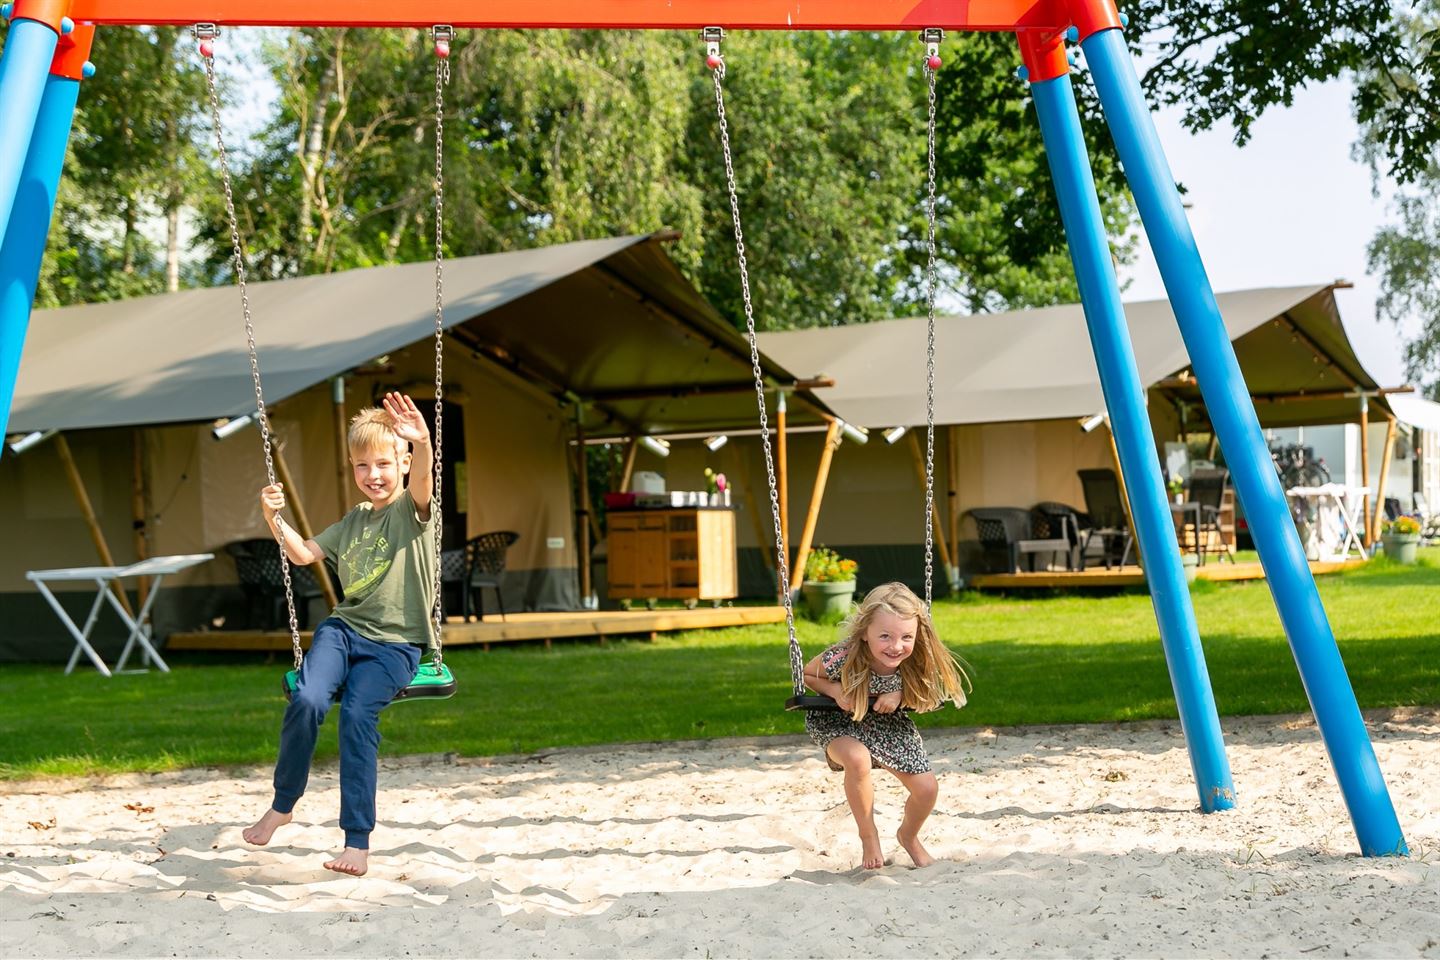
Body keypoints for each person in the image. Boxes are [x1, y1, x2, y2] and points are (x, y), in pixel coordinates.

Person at [241, 392, 437, 876]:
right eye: (362, 465)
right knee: (306, 699)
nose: (373, 474)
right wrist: (274, 520)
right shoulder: (353, 520)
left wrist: (425, 441)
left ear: (403, 462)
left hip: (395, 645)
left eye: (384, 463)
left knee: (355, 715)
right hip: (344, 631)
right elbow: (304, 554)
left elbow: (425, 481)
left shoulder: (412, 512)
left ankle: (356, 841)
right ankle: (284, 804)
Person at [802, 582, 969, 870]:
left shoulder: (915, 660)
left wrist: (900, 693)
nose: (896, 646)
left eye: (907, 636)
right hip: (839, 720)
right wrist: (836, 692)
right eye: (885, 636)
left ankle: (909, 836)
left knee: (927, 789)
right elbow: (808, 674)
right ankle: (869, 836)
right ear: (865, 633)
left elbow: (927, 695)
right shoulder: (843, 656)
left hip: (888, 724)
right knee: (857, 759)